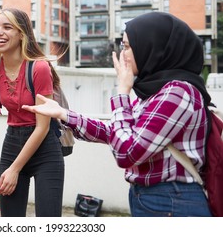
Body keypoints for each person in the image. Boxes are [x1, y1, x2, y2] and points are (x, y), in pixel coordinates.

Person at [22, 12, 212, 217]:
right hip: (152, 198)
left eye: (127, 46)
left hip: (171, 201)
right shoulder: (155, 92)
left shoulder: (177, 92)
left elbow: (127, 152)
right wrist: (64, 114)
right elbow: (116, 132)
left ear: (153, 48)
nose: (123, 55)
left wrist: (122, 91)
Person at [0, 8, 64, 217]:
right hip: (12, 143)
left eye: (7, 27)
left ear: (21, 34)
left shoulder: (39, 68)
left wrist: (15, 169)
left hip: (45, 148)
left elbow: (42, 128)